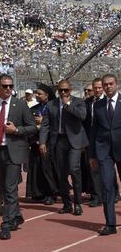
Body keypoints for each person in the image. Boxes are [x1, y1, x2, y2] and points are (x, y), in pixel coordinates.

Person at [0, 74, 36, 240]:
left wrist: (16, 130)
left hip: (14, 152)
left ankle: (6, 224)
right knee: (4, 189)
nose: (8, 89)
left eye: (10, 86)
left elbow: (32, 127)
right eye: (5, 86)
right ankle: (16, 215)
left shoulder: (21, 105)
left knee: (9, 189)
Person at [39, 80, 88, 216]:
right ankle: (67, 204)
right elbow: (45, 125)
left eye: (66, 90)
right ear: (57, 91)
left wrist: (68, 105)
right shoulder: (51, 105)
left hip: (74, 141)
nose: (63, 93)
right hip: (58, 141)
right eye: (61, 90)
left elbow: (82, 116)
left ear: (70, 90)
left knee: (74, 169)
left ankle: (77, 203)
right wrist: (42, 142)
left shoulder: (78, 102)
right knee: (61, 174)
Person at [89, 74, 121, 236]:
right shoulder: (98, 105)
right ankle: (110, 224)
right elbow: (94, 130)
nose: (108, 87)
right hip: (104, 151)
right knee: (107, 187)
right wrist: (92, 155)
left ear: (116, 84)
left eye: (111, 84)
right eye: (105, 84)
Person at [26, 84, 58, 205]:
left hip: (50, 142)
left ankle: (52, 193)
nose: (37, 96)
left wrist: (43, 121)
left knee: (47, 169)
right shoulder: (34, 108)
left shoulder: (54, 107)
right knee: (36, 168)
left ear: (47, 95)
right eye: (36, 93)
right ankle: (38, 193)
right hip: (35, 142)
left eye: (40, 94)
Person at [82, 78, 105, 207]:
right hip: (91, 138)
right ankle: (97, 196)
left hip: (105, 139)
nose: (97, 90)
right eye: (95, 88)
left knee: (107, 168)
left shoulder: (107, 101)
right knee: (93, 167)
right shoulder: (88, 102)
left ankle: (112, 192)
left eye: (99, 87)